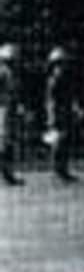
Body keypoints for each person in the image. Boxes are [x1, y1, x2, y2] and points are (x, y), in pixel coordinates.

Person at [44, 47, 79, 182]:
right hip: (58, 113)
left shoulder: (63, 79)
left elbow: (69, 97)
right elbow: (51, 101)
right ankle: (58, 170)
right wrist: (51, 117)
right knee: (58, 142)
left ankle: (62, 169)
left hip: (64, 112)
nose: (62, 66)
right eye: (59, 63)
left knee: (64, 141)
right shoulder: (53, 80)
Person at [0, 45, 19, 185]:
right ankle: (7, 174)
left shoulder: (10, 73)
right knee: (5, 143)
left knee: (8, 142)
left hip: (8, 109)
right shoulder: (3, 72)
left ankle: (8, 173)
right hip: (3, 110)